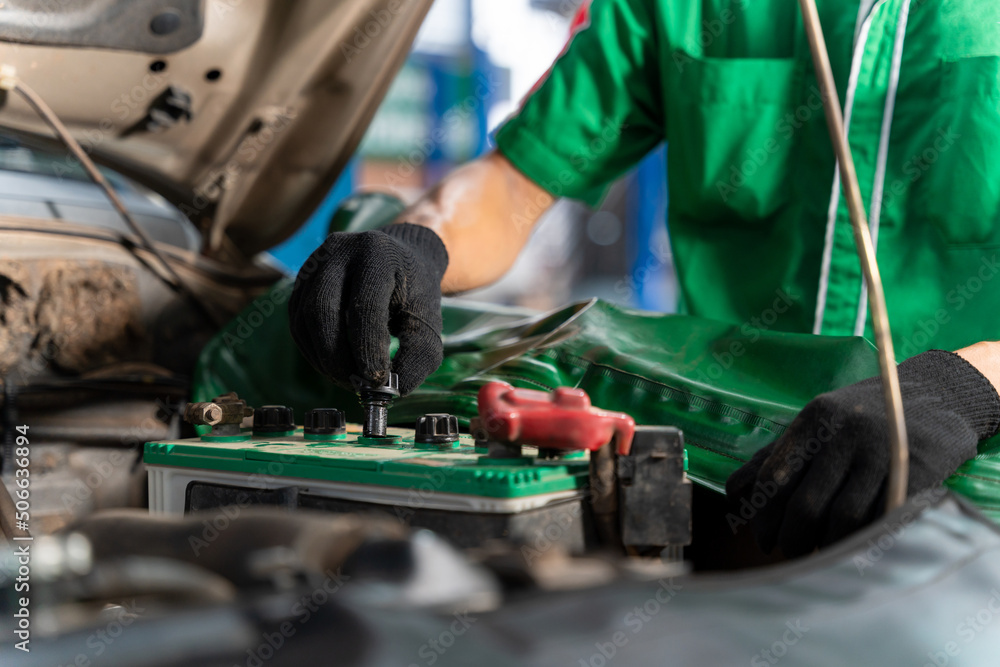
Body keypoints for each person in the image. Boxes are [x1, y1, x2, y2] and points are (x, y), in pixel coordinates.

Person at [288, 0, 1000, 557]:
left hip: (969, 488)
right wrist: (417, 243)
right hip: (733, 482)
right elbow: (515, 183)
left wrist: (966, 386)